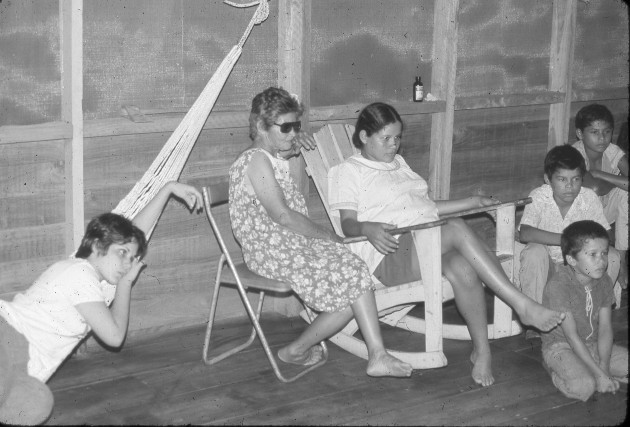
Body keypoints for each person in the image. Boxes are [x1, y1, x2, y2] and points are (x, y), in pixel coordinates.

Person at [327, 102, 565, 387]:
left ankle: (482, 351)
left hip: (424, 239)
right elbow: (347, 224)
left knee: (463, 268)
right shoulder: (348, 171)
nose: (394, 145)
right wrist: (367, 227)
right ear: (364, 136)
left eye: (398, 137)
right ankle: (521, 303)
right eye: (386, 138)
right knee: (455, 226)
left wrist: (471, 201)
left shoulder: (399, 165)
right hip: (387, 254)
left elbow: (426, 207)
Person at [228, 87, 413, 381]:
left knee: (354, 269)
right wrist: (328, 236)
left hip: (289, 245)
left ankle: (371, 354)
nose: (292, 133)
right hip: (270, 251)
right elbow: (283, 216)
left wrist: (292, 147)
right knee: (350, 273)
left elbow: (286, 173)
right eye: (285, 127)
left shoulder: (271, 156)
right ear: (261, 125)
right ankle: (360, 353)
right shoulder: (256, 160)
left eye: (295, 126)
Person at [0, 181, 203, 425]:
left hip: (23, 364)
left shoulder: (98, 278)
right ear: (97, 246)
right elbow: (115, 336)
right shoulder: (80, 275)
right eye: (122, 254)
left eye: (133, 258)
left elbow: (135, 231)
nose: (128, 264)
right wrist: (126, 285)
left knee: (36, 404)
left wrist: (168, 189)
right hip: (9, 340)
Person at [518, 145, 621, 320]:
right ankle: (535, 316)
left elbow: (606, 234)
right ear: (548, 180)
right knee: (533, 252)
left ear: (582, 179)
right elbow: (525, 233)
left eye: (576, 179)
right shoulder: (538, 197)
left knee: (612, 255)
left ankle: (592, 314)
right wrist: (568, 240)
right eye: (562, 179)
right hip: (549, 266)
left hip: (579, 267)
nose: (570, 186)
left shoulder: (588, 198)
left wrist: (587, 246)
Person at [541, 220, 628, 401]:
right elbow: (571, 337)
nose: (602, 261)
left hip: (593, 344)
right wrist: (599, 376)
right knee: (584, 387)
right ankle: (554, 367)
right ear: (572, 260)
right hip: (562, 346)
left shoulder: (603, 281)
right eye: (593, 255)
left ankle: (594, 368)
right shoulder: (559, 286)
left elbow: (605, 328)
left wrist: (603, 368)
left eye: (604, 253)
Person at [571, 104, 628, 290]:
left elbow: (600, 182)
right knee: (594, 192)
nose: (602, 138)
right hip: (581, 217)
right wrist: (619, 179)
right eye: (594, 132)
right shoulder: (575, 154)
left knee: (625, 193)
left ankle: (621, 256)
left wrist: (600, 173)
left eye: (607, 132)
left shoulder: (612, 151)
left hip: (606, 210)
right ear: (580, 134)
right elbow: (594, 188)